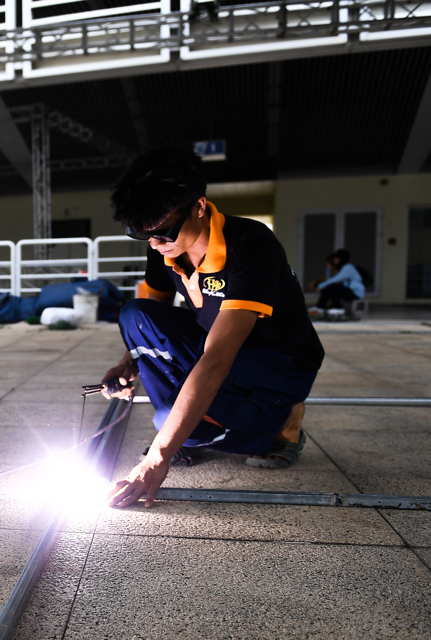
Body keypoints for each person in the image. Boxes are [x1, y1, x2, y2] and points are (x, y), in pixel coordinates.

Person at [103, 149, 325, 509]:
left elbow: (217, 359)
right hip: (219, 349)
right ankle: (186, 434)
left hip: (276, 361)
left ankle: (284, 421)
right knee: (134, 314)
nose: (157, 246)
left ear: (200, 207)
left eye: (163, 234)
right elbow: (150, 318)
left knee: (175, 424)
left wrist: (157, 456)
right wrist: (128, 363)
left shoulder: (251, 245)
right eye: (145, 237)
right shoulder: (163, 247)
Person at [311, 249, 364, 317]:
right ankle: (320, 307)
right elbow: (329, 280)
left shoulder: (348, 268)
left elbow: (334, 280)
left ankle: (338, 308)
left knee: (333, 287)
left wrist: (320, 286)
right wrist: (329, 269)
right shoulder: (341, 268)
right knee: (329, 288)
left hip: (355, 292)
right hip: (349, 290)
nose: (334, 261)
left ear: (340, 259)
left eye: (335, 259)